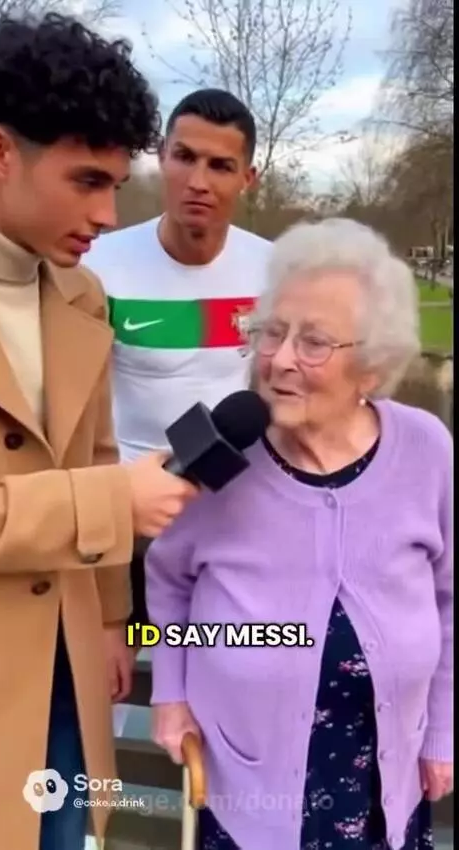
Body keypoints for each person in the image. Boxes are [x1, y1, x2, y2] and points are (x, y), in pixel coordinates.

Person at [145, 218, 453, 850]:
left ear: (371, 367)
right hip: (248, 788)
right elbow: (167, 577)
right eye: (271, 332)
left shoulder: (428, 449)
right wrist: (170, 696)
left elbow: (451, 601)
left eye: (314, 342)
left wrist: (442, 734)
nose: (281, 359)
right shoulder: (221, 452)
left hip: (382, 788)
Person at [0, 13, 198, 850]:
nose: (110, 214)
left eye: (117, 183)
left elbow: (96, 452)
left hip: (69, 679)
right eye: (86, 181)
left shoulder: (84, 299)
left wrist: (111, 622)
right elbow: (105, 484)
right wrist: (107, 503)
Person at [85, 87, 272, 732]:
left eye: (220, 166)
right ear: (160, 158)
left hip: (229, 533)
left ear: (249, 177)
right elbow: (78, 433)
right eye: (183, 156)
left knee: (223, 707)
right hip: (127, 536)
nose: (198, 181)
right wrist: (111, 614)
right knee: (118, 713)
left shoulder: (273, 270)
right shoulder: (98, 266)